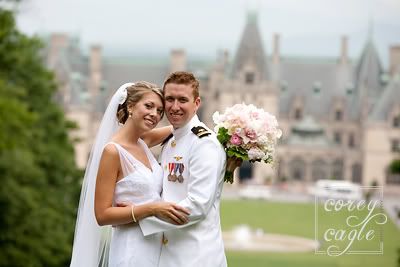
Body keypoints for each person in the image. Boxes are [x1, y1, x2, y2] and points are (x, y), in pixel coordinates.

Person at [70, 81, 190, 267]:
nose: (154, 114)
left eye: (159, 111)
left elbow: (186, 127)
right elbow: (102, 215)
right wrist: (153, 208)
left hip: (157, 242)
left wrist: (233, 134)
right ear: (131, 106)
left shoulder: (143, 141)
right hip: (132, 247)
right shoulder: (112, 152)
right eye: (148, 106)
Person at [138, 72, 228, 267]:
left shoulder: (204, 143)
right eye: (169, 99)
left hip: (196, 256)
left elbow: (197, 205)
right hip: (168, 253)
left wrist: (140, 218)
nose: (175, 106)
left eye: (182, 100)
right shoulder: (172, 139)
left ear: (197, 103)